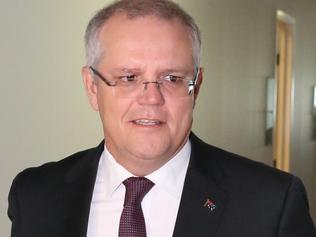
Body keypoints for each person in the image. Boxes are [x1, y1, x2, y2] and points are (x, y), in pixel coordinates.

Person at [8, 0, 316, 236]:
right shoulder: (36, 195)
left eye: (172, 78)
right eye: (128, 77)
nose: (151, 98)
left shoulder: (271, 204)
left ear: (196, 88)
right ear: (92, 87)